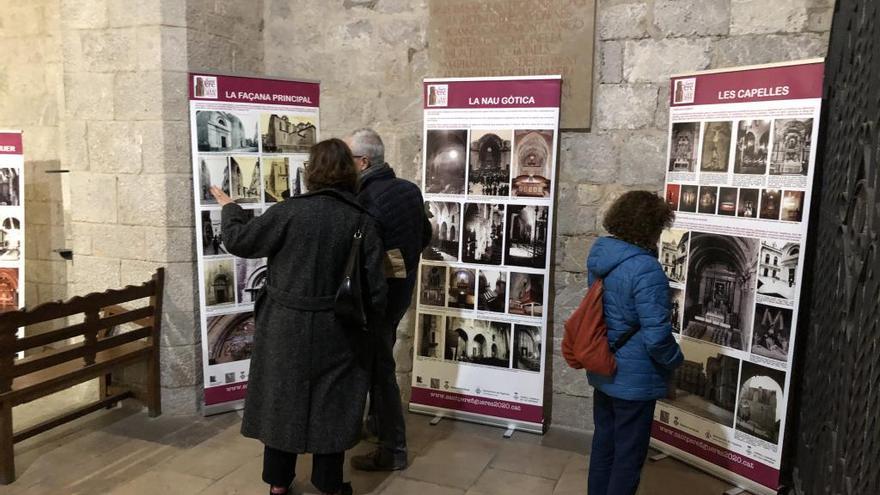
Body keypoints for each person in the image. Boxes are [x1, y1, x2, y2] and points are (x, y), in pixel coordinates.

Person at [211, 138, 388, 495]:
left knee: (282, 400)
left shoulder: (288, 212)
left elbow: (240, 240)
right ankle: (328, 484)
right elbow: (376, 291)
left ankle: (278, 484)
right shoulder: (361, 221)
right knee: (332, 404)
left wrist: (230, 207)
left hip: (284, 326)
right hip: (338, 329)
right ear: (349, 172)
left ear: (312, 172)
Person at [585, 190, 684, 495]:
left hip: (605, 366)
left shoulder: (602, 255)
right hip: (635, 378)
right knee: (628, 456)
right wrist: (675, 361)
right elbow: (656, 337)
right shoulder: (646, 268)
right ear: (651, 227)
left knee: (604, 447)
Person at [343, 128, 431, 471]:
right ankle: (377, 425)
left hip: (376, 301)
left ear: (363, 161)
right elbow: (425, 234)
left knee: (380, 371)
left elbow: (363, 257)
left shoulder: (366, 199)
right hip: (398, 295)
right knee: (382, 362)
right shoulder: (409, 190)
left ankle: (393, 450)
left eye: (348, 158)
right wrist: (403, 268)